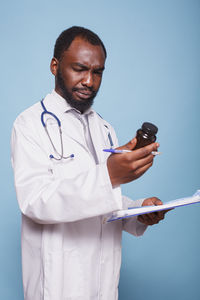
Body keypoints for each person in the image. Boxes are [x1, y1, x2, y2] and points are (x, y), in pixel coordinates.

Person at [11, 26, 168, 300]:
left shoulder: (104, 128)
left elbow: (103, 201)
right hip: (58, 283)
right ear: (55, 66)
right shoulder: (29, 123)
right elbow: (34, 201)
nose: (89, 81)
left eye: (97, 72)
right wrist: (108, 176)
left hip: (103, 283)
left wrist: (136, 211)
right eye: (80, 69)